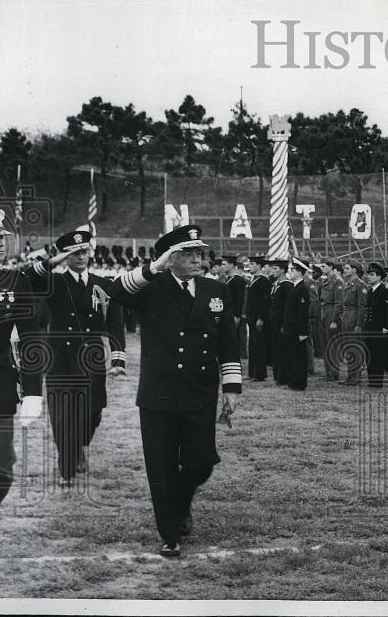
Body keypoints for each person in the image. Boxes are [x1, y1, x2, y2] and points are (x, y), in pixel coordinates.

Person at [109, 224, 241, 558]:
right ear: (171, 258)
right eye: (190, 253)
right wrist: (154, 267)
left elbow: (228, 342)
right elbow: (117, 291)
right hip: (159, 393)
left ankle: (180, 506)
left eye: (200, 253)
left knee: (201, 462)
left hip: (199, 390)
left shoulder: (216, 290)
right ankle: (169, 534)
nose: (200, 259)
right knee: (162, 466)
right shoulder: (151, 287)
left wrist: (232, 387)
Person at [24, 228, 126, 484]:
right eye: (74, 253)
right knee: (62, 416)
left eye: (84, 251)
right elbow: (27, 278)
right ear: (65, 256)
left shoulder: (103, 285)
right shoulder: (55, 282)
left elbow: (114, 323)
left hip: (91, 361)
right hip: (60, 360)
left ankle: (78, 446)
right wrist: (52, 262)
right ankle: (66, 469)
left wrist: (117, 358)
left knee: (93, 413)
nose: (81, 257)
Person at [0, 209, 44, 543]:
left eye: (1, 238)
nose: (0, 244)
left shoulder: (14, 281)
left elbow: (30, 339)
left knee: (1, 469)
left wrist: (34, 391)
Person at [337, 259, 368, 386]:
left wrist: (359, 325)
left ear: (355, 270)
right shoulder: (347, 284)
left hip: (354, 318)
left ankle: (354, 377)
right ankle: (351, 375)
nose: (345, 270)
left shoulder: (360, 285)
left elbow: (362, 307)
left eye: (348, 268)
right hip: (346, 318)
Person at [361, 262, 388, 388]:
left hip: (378, 328)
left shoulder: (384, 291)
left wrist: (385, 327)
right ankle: (371, 379)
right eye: (369, 275)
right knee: (369, 353)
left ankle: (377, 381)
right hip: (369, 327)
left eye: (372, 275)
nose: (369, 277)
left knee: (377, 354)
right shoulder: (370, 291)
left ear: (379, 277)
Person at [283, 258, 311, 390]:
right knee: (292, 356)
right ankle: (293, 381)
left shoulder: (302, 289)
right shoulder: (296, 287)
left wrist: (303, 332)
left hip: (297, 330)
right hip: (291, 328)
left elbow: (302, 313)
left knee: (298, 357)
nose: (290, 272)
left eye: (292, 270)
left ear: (300, 272)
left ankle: (299, 383)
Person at [244, 257, 271, 382]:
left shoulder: (264, 280)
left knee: (258, 345)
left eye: (252, 264)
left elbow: (265, 302)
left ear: (259, 266)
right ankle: (252, 372)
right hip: (251, 316)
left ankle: (259, 374)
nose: (250, 266)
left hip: (258, 318)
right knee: (252, 345)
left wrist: (261, 318)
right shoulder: (254, 279)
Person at [218, 256, 247, 369]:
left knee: (234, 341)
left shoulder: (237, 279)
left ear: (231, 265)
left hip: (233, 314)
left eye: (224, 264)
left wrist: (237, 315)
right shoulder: (228, 278)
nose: (222, 266)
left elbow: (239, 299)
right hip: (227, 314)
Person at [267, 260, 293, 385]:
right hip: (275, 322)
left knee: (283, 351)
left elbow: (289, 307)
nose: (273, 272)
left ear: (282, 270)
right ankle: (278, 376)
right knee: (276, 350)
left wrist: (285, 324)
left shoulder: (287, 285)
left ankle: (283, 377)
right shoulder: (277, 284)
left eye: (275, 269)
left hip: (282, 323)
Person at [318, 258, 343, 380]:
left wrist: (334, 320)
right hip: (324, 312)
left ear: (330, 267)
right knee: (325, 343)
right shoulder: (325, 280)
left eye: (323, 266)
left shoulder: (337, 281)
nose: (321, 269)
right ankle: (328, 372)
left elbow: (339, 303)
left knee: (332, 344)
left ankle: (334, 372)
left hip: (331, 313)